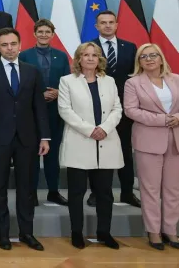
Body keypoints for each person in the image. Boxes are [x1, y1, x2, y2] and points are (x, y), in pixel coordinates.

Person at [0, 28, 49, 251]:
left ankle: (27, 233)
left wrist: (44, 136)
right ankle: (3, 234)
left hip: (27, 138)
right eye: (5, 45)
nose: (9, 48)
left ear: (20, 45)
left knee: (26, 188)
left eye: (13, 44)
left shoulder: (32, 71)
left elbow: (39, 107)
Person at [57, 42, 122, 250]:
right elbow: (65, 110)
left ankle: (104, 232)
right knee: (76, 192)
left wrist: (104, 128)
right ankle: (77, 232)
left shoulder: (109, 81)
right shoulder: (67, 81)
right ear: (78, 59)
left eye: (95, 55)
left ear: (100, 59)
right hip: (79, 141)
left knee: (104, 193)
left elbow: (117, 109)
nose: (91, 58)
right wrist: (89, 130)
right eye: (86, 55)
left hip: (106, 140)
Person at [123, 43, 179, 250]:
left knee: (173, 190)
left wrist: (177, 118)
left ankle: (171, 230)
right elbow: (131, 111)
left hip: (175, 141)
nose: (149, 59)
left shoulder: (176, 80)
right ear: (139, 62)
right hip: (148, 142)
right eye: (143, 56)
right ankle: (154, 232)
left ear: (161, 57)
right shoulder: (133, 83)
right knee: (150, 190)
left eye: (153, 55)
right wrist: (163, 120)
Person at [87, 10, 140, 207]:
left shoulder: (130, 47)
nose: (107, 26)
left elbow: (135, 75)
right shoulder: (90, 48)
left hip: (125, 109)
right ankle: (96, 193)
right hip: (97, 107)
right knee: (96, 151)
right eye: (103, 22)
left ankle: (127, 192)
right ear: (96, 26)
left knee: (125, 150)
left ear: (117, 25)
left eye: (111, 22)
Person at [19, 19, 70, 206]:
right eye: (40, 31)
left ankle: (53, 191)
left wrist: (58, 92)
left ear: (52, 34)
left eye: (47, 32)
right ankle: (31, 192)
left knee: (52, 153)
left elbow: (67, 81)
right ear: (34, 34)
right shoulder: (24, 55)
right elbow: (21, 82)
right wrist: (39, 94)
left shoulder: (61, 56)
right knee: (31, 154)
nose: (43, 35)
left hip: (54, 110)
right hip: (31, 112)